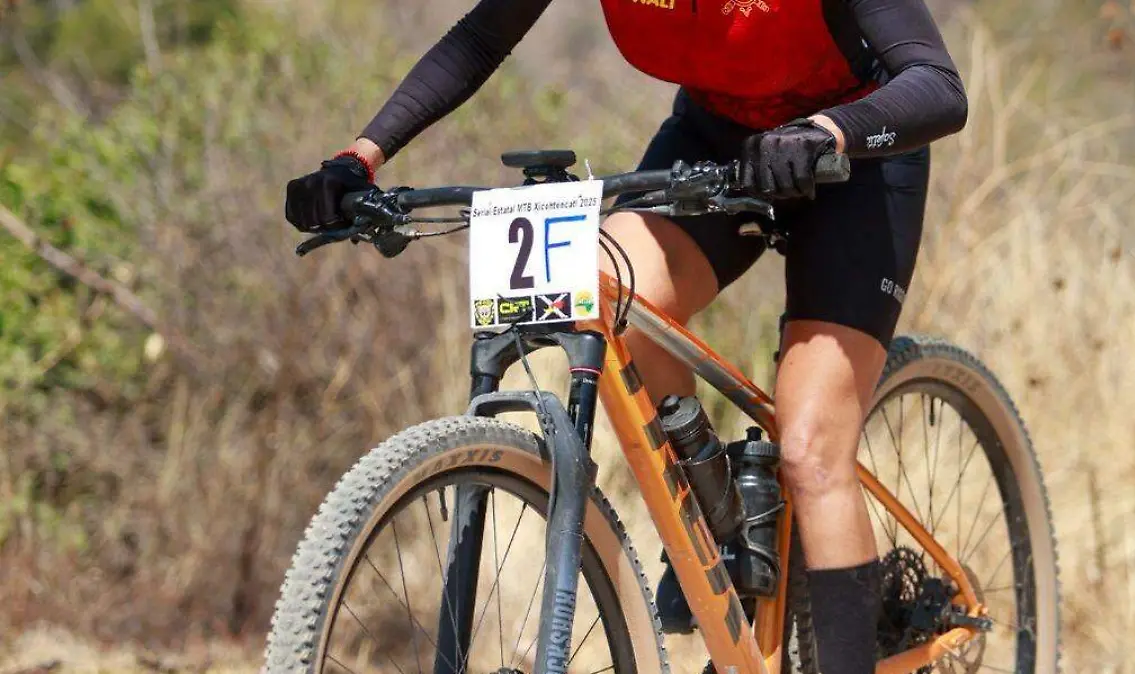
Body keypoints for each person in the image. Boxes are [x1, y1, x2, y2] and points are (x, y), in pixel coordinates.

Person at [285, 1, 967, 672]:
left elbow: (939, 88)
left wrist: (830, 132)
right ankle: (724, 514)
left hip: (858, 148)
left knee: (813, 449)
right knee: (603, 288)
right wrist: (360, 156)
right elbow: (480, 39)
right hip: (718, 141)